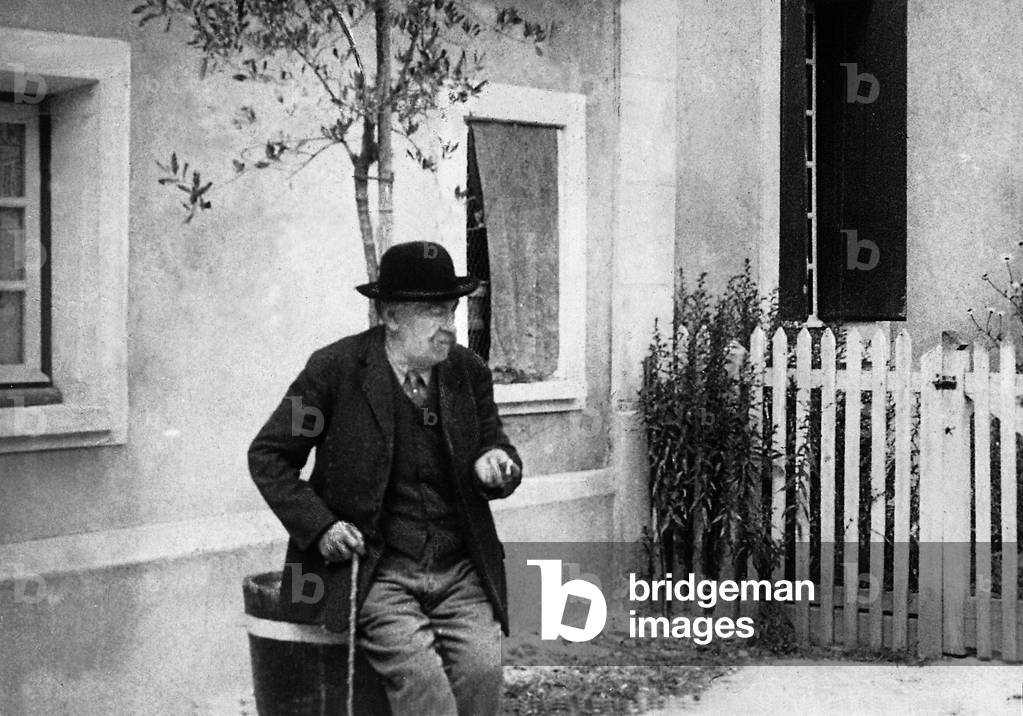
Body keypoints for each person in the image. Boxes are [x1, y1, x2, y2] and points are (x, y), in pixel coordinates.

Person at [248, 240, 522, 716]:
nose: (448, 324)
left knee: (482, 676)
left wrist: (495, 464)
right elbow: (270, 455)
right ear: (391, 316)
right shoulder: (334, 373)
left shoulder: (466, 372)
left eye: (451, 309)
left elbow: (495, 445)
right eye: (433, 311)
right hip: (380, 571)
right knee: (424, 691)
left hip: (460, 569)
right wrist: (322, 527)